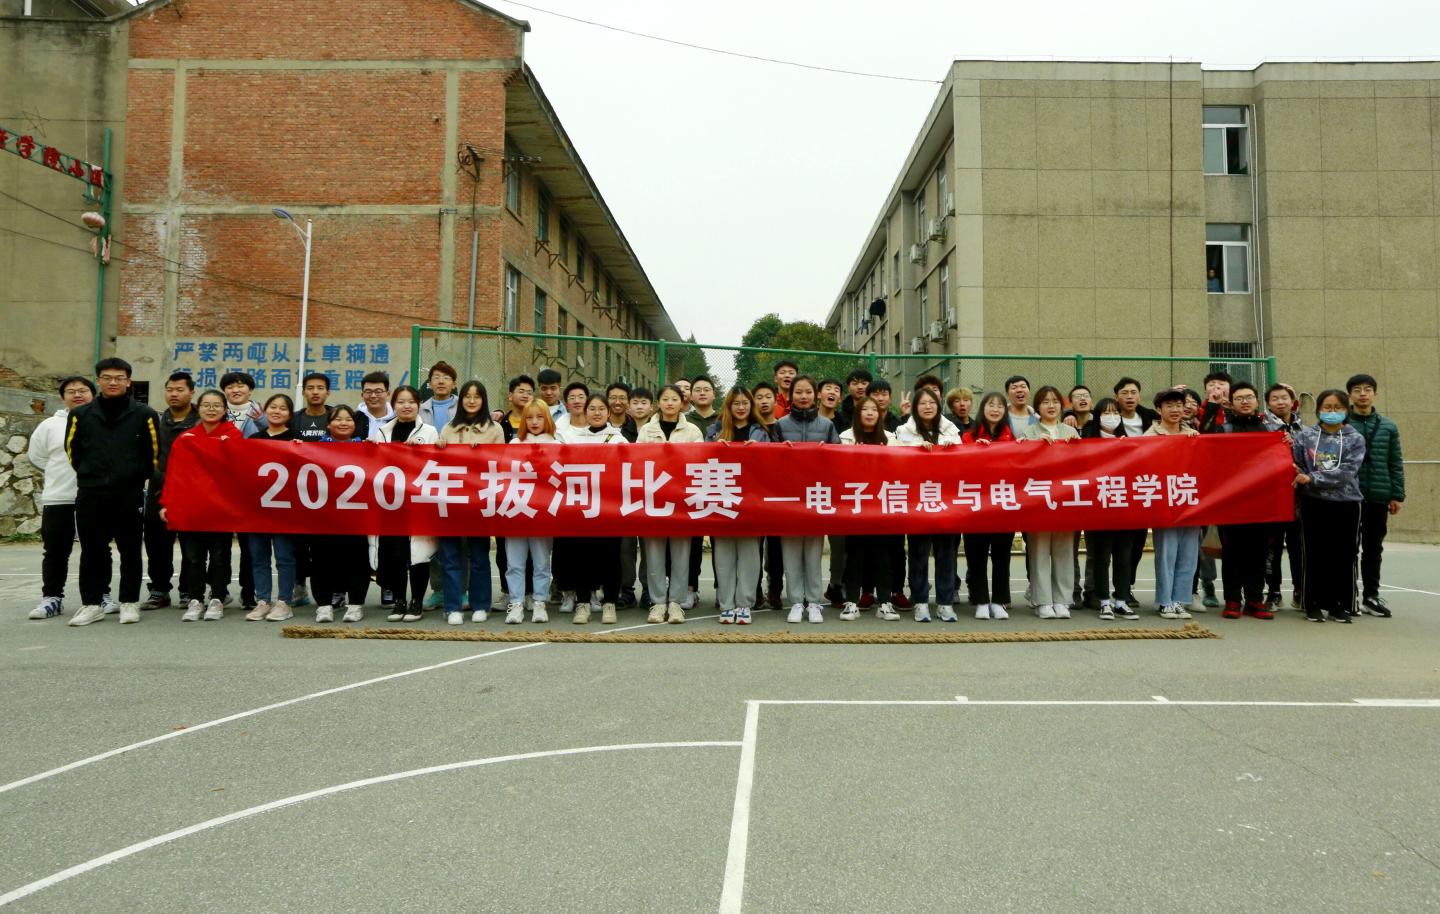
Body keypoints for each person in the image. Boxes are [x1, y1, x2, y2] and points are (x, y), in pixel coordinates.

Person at [63, 358, 160, 627]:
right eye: (107, 377)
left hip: (128, 493)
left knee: (130, 550)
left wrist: (134, 477)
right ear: (98, 381)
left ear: (129, 381)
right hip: (91, 492)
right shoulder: (81, 414)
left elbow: (153, 454)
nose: (113, 382)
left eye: (119, 378)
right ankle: (91, 604)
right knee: (92, 551)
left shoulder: (144, 414)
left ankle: (129, 602)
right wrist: (90, 474)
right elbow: (72, 450)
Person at [164, 390, 240, 621]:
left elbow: (240, 471)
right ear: (199, 408)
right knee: (193, 557)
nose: (211, 409)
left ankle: (217, 597)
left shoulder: (233, 435)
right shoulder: (185, 439)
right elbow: (174, 474)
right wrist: (167, 503)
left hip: (221, 509)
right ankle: (195, 599)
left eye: (217, 405)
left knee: (219, 556)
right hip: (192, 508)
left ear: (225, 410)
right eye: (206, 405)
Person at [27, 376, 98, 620]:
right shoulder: (49, 425)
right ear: (63, 397)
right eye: (71, 391)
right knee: (55, 551)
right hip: (59, 497)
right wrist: (60, 472)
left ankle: (101, 596)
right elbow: (37, 457)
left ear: (93, 394)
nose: (77, 395)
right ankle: (52, 598)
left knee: (96, 550)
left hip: (95, 496)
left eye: (83, 390)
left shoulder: (103, 422)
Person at [433, 381, 503, 625]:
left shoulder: (494, 429)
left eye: (477, 396)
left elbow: (501, 463)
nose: (472, 401)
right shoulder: (449, 428)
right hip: (450, 499)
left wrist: (482, 452)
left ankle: (480, 604)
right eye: (467, 396)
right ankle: (452, 606)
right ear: (460, 399)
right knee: (450, 556)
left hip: (479, 500)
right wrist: (439, 447)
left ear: (484, 400)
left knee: (479, 555)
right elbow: (437, 463)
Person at [1294, 390, 1367, 623]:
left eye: (1338, 407)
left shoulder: (1355, 438)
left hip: (1346, 504)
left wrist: (1313, 478)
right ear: (1318, 410)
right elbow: (1295, 464)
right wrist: (1301, 475)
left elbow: (1348, 471)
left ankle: (1339, 604)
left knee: (1343, 555)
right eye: (1327, 407)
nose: (1332, 412)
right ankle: (1312, 603)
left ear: (1346, 410)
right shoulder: (1305, 436)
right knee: (1314, 554)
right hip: (1313, 503)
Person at [370, 386, 438, 622]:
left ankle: (416, 601)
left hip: (418, 502)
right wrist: (368, 450)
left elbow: (437, 464)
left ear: (418, 405)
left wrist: (420, 453)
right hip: (391, 504)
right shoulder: (383, 432)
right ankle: (399, 600)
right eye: (400, 402)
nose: (406, 406)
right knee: (395, 554)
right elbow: (375, 466)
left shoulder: (429, 432)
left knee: (419, 554)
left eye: (411, 402)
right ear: (393, 405)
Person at [557, 394, 627, 623]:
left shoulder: (619, 440)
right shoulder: (573, 439)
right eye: (592, 409)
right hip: (582, 507)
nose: (597, 413)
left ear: (609, 412)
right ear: (585, 412)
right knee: (582, 556)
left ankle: (609, 603)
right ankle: (583, 603)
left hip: (610, 508)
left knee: (610, 556)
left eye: (601, 409)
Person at [636, 385, 702, 623]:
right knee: (654, 553)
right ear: (658, 403)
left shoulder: (692, 430)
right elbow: (637, 461)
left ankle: (676, 602)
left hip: (682, 499)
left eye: (675, 399)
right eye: (665, 399)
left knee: (681, 554)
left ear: (682, 402)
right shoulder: (647, 430)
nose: (670, 403)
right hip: (654, 498)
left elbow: (699, 461)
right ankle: (657, 603)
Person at [775, 375, 838, 623]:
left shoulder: (827, 425)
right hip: (789, 498)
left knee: (813, 553)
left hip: (816, 497)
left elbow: (840, 459)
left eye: (808, 392)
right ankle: (795, 602)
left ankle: (813, 602)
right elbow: (768, 460)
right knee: (791, 553)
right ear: (791, 396)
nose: (803, 396)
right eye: (798, 392)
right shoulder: (780, 425)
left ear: (816, 395)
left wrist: (827, 453)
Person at [896, 387, 962, 622]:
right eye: (922, 403)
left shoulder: (951, 429)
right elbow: (896, 461)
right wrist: (917, 451)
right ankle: (920, 601)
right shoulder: (903, 431)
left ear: (938, 405)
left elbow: (964, 460)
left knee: (947, 555)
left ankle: (945, 603)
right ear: (915, 407)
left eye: (932, 403)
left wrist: (949, 448)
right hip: (918, 501)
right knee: (918, 553)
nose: (927, 406)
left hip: (946, 501)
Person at [1017, 386, 1080, 619]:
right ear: (1038, 407)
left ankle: (1063, 600)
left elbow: (1084, 464)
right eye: (1045, 402)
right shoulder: (1029, 431)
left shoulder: (1070, 432)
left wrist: (1076, 447)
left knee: (1064, 551)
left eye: (1055, 401)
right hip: (1039, 501)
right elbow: (1020, 463)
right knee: (1039, 551)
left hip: (1065, 500)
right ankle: (1042, 600)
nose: (1051, 406)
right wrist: (1031, 446)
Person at [1215, 382, 1276, 620]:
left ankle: (1254, 600)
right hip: (1231, 502)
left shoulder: (1270, 429)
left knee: (1258, 553)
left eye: (1249, 397)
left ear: (1257, 401)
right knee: (1232, 553)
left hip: (1262, 501)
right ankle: (1232, 600)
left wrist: (1287, 442)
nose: (1245, 401)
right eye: (1239, 398)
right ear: (1231, 403)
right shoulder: (1224, 429)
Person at [1346, 373, 1404, 617]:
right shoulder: (1342, 423)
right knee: (1347, 548)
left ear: (1375, 393)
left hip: (1378, 495)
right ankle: (1347, 596)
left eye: (1367, 389)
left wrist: (1396, 494)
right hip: (1347, 497)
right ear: (1349, 395)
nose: (1363, 394)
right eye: (1357, 390)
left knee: (1373, 549)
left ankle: (1371, 595)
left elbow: (1395, 462)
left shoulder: (1388, 426)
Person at [707, 387, 767, 625]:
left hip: (751, 501)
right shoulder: (715, 430)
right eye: (736, 403)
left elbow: (774, 464)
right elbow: (700, 459)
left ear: (751, 406)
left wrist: (760, 451)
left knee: (750, 555)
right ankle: (726, 604)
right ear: (728, 406)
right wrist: (715, 447)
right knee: (723, 556)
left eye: (745, 403)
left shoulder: (762, 432)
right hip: (722, 498)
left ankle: (744, 604)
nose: (741, 407)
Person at [837, 396, 899, 621]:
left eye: (874, 409)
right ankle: (852, 602)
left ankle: (885, 603)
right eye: (865, 409)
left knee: (883, 556)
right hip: (856, 504)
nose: (870, 413)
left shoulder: (891, 439)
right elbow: (838, 469)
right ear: (858, 413)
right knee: (855, 555)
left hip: (882, 504)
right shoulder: (846, 437)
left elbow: (900, 468)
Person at [1079, 398, 1140, 620]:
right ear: (1097, 417)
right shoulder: (1087, 441)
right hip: (1099, 508)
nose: (1112, 417)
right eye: (1106, 413)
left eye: (1115, 412)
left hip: (1124, 507)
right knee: (1102, 557)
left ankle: (1121, 600)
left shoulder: (1128, 442)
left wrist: (1127, 450)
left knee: (1124, 557)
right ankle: (1104, 601)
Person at [310, 405, 371, 622]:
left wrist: (376, 449)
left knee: (357, 560)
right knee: (321, 560)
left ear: (355, 425)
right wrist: (296, 447)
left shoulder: (366, 448)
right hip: (323, 516)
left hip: (355, 516)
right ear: (328, 424)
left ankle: (355, 605)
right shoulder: (313, 449)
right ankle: (324, 605)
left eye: (348, 419)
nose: (343, 423)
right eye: (338, 419)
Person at [144, 371, 198, 610]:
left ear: (191, 392)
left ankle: (188, 590)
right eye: (170, 390)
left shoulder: (201, 423)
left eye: (180, 390)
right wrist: (160, 478)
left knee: (191, 545)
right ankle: (159, 590)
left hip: (191, 493)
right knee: (157, 543)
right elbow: (145, 455)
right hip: (159, 491)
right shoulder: (154, 422)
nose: (174, 394)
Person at [1146, 388, 1201, 619]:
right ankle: (1164, 601)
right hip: (1165, 502)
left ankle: (1181, 599)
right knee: (1167, 554)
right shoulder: (1149, 436)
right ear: (1159, 410)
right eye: (1169, 406)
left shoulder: (1193, 435)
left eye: (1179, 405)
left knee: (1189, 554)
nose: (1176, 410)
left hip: (1189, 501)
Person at [245, 393, 300, 622]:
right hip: (257, 508)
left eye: (283, 408)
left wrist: (302, 449)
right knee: (259, 557)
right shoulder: (254, 439)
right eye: (273, 407)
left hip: (285, 509)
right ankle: (263, 601)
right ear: (266, 410)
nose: (277, 411)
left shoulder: (296, 439)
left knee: (284, 557)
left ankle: (284, 602)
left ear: (290, 414)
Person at [962, 392, 1016, 620]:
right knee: (976, 556)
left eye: (1000, 406)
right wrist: (975, 449)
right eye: (990, 405)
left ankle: (999, 601)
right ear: (982, 409)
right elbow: (960, 466)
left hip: (1002, 505)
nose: (995, 409)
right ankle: (981, 600)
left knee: (1002, 556)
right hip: (975, 505)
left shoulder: (1013, 439)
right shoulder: (968, 436)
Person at [503, 401, 556, 624]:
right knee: (514, 562)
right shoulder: (514, 444)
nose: (534, 422)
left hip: (542, 511)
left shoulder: (556, 444)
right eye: (529, 417)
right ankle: (516, 603)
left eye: (539, 417)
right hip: (517, 509)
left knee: (541, 561)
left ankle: (539, 602)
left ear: (547, 419)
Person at [218, 370, 261, 611]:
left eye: (241, 385)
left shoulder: (261, 415)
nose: (236, 390)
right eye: (230, 386)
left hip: (248, 488)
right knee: (220, 544)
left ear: (250, 390)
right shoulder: (217, 412)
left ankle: (249, 593)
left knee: (249, 545)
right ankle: (220, 591)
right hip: (221, 488)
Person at [1264, 383, 1304, 608]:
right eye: (1275, 399)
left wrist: (1295, 445)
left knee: (1299, 548)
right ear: (1268, 404)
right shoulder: (1262, 427)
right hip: (1273, 499)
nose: (1280, 402)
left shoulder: (1305, 429)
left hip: (1299, 499)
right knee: (1272, 548)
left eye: (1284, 398)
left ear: (1292, 401)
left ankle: (1300, 590)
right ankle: (1273, 592)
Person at [750, 380, 785, 608]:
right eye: (759, 397)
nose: (764, 401)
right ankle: (754, 590)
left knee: (776, 547)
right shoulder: (750, 428)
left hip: (779, 494)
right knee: (754, 546)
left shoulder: (784, 427)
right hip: (754, 493)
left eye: (768, 397)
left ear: (775, 400)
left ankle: (775, 590)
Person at [418, 360, 459, 433]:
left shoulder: (463, 407)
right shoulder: (420, 410)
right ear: (430, 384)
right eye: (436, 377)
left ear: (454, 385)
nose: (441, 381)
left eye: (446, 378)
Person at [290, 372, 332, 441]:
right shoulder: (292, 419)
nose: (315, 392)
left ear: (328, 393)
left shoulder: (336, 417)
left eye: (320, 388)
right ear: (303, 393)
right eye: (310, 388)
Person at [220, 371, 263, 436]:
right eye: (230, 387)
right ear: (224, 391)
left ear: (250, 390)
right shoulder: (218, 411)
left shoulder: (261, 412)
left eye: (240, 386)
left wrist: (261, 420)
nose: (235, 391)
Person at [501, 374, 536, 441]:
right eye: (521, 392)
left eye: (529, 393)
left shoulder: (539, 423)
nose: (525, 396)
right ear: (510, 396)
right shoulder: (501, 423)